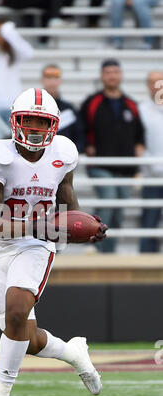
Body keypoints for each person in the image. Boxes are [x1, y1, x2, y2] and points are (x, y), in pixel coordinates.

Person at [0, 87, 107, 396]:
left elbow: (67, 195)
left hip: (38, 244)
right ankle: (73, 352)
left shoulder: (64, 153)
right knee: (23, 336)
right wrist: (36, 223)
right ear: (15, 121)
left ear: (53, 126)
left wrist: (83, 225)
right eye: (28, 120)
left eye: (42, 122)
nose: (34, 128)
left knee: (16, 311)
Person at [80, 59, 145, 253]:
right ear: (102, 76)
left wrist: (139, 150)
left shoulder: (131, 104)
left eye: (115, 72)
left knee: (118, 212)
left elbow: (139, 135)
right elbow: (81, 131)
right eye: (108, 72)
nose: (112, 76)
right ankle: (96, 244)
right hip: (101, 165)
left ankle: (108, 250)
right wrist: (88, 147)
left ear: (121, 75)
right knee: (108, 200)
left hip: (125, 169)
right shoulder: (92, 103)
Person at [139, 71, 163, 252]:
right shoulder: (141, 110)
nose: (158, 86)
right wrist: (151, 165)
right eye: (153, 82)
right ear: (148, 85)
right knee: (149, 219)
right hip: (151, 175)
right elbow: (137, 142)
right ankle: (146, 258)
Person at [41, 64, 84, 152]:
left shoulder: (69, 109)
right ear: (42, 80)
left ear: (60, 81)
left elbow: (80, 137)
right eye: (48, 77)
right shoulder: (33, 108)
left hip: (63, 159)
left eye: (55, 77)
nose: (52, 81)